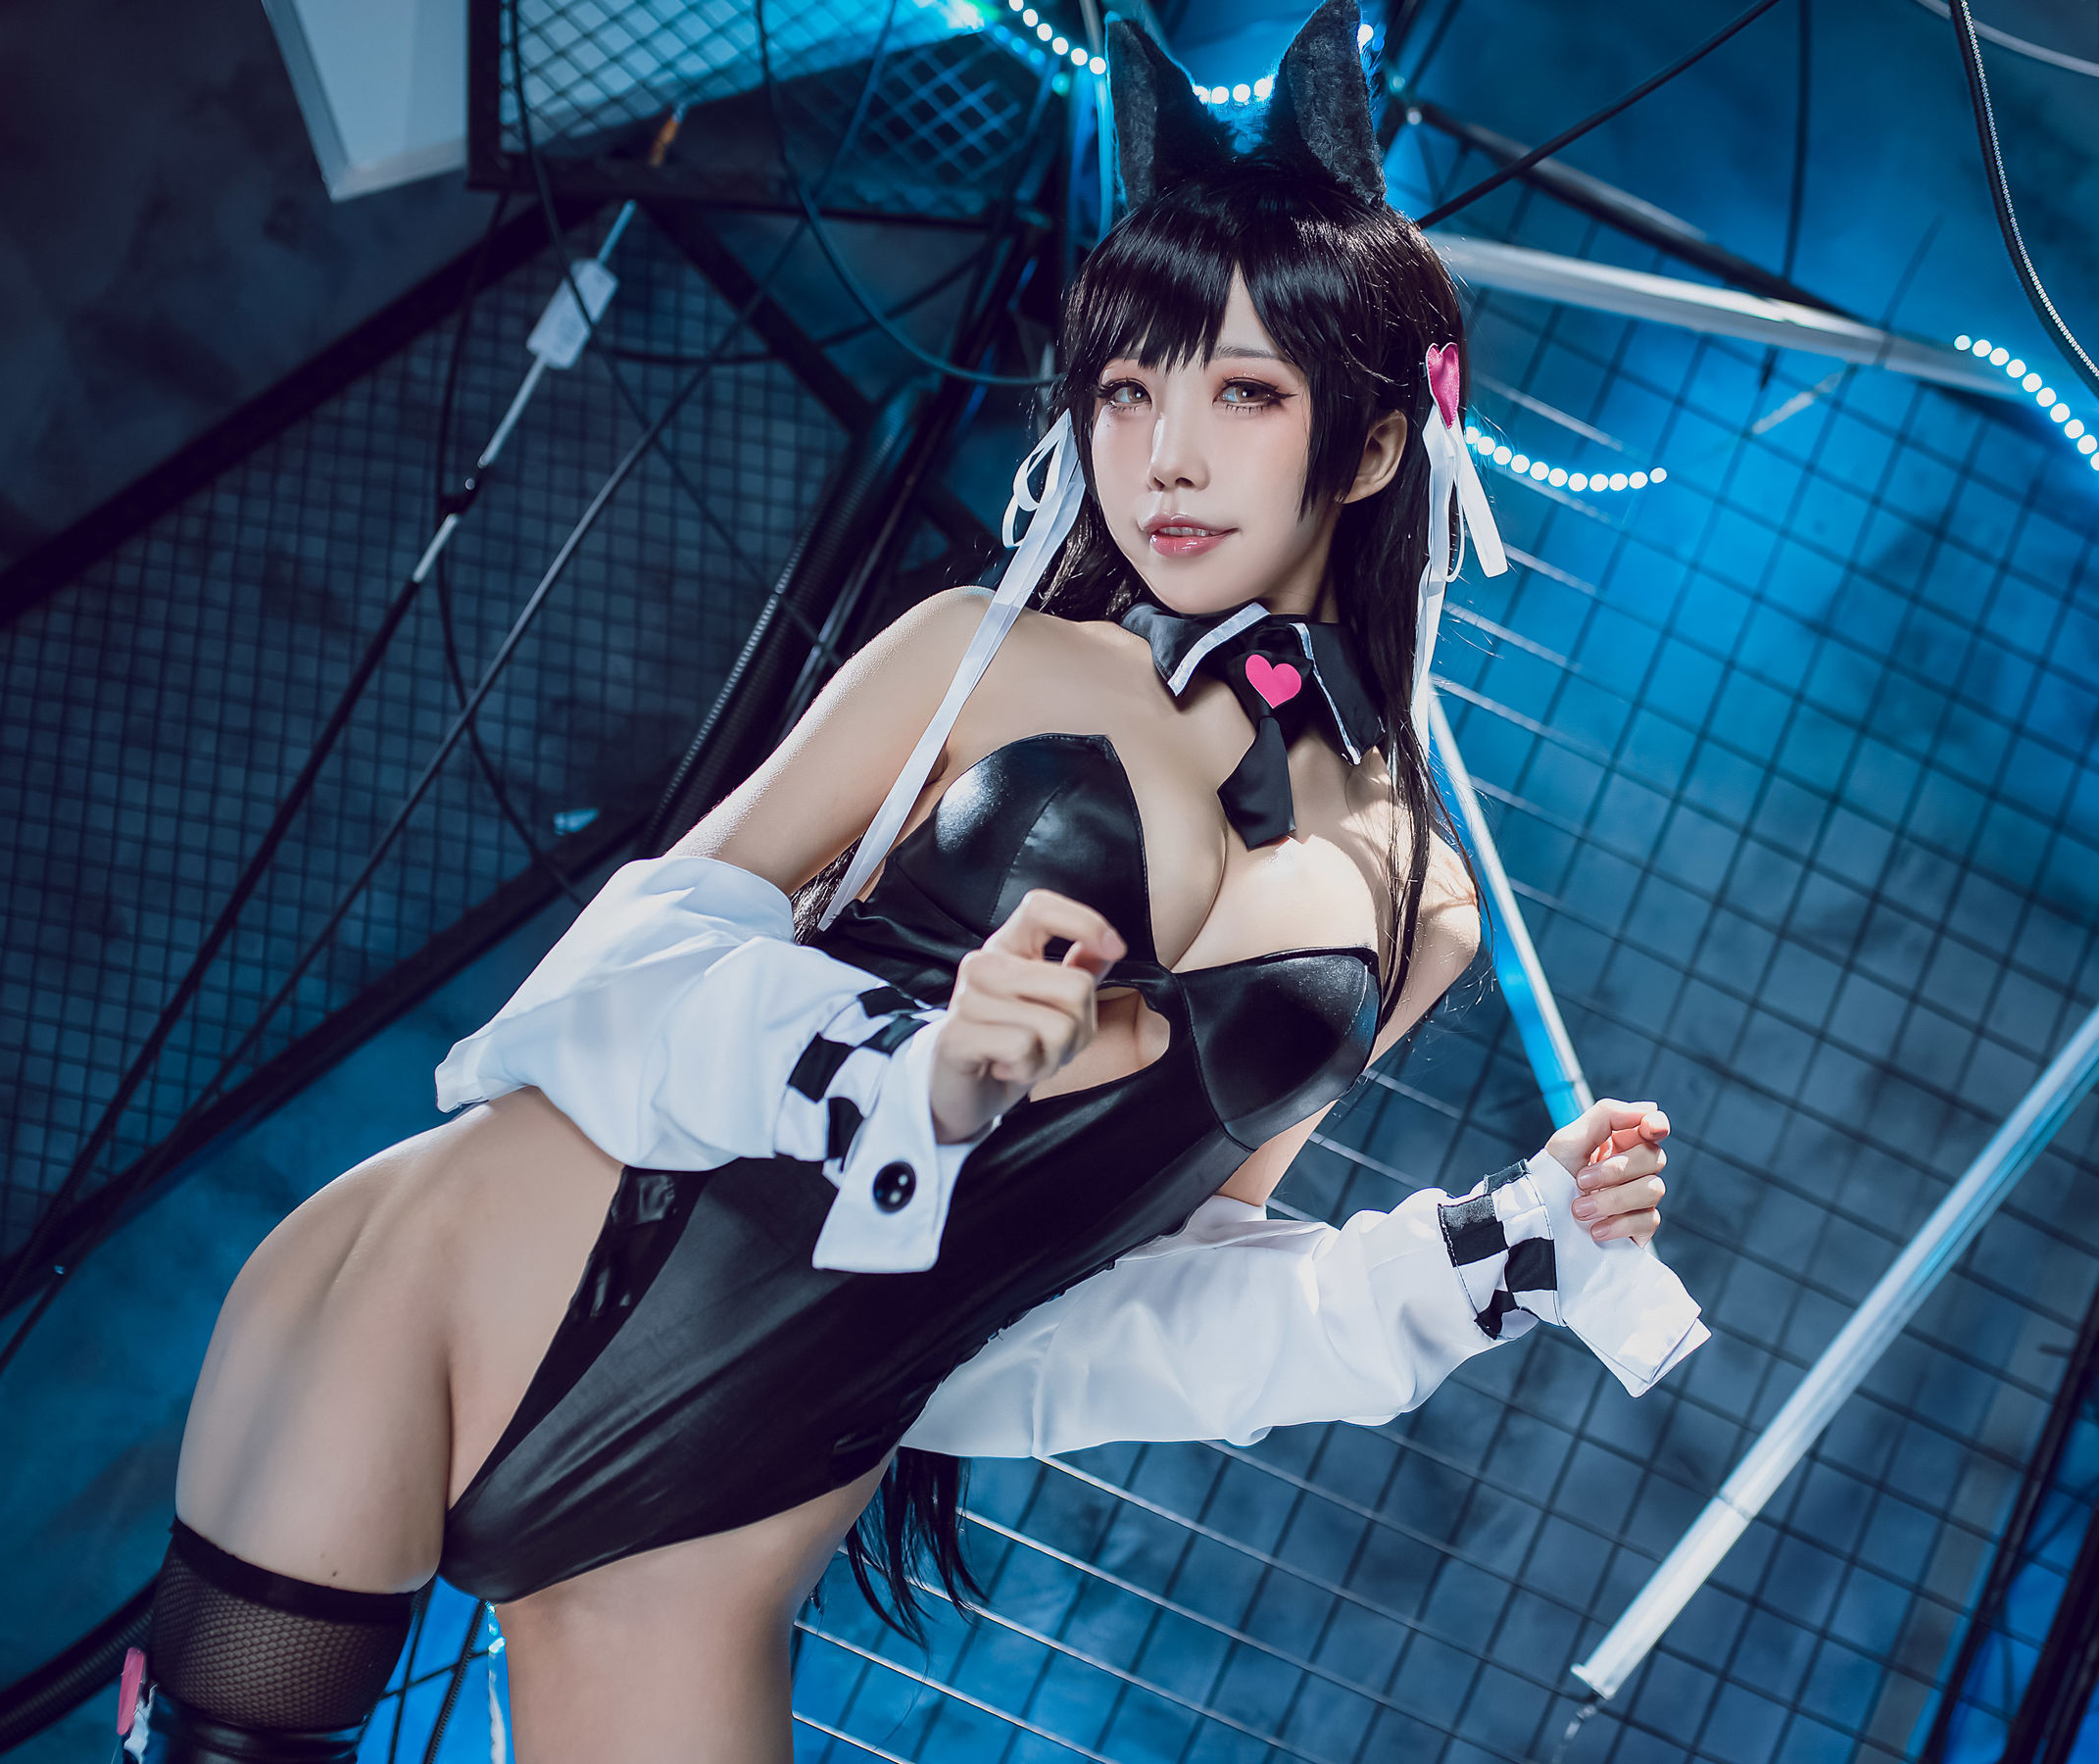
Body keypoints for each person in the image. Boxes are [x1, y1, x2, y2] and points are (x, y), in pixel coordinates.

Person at [134, 9, 1702, 1761]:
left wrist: (1497, 1253)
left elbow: (1127, 1296)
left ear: (1375, 443)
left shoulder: (1420, 913)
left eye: (1243, 392)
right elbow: (622, 970)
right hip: (455, 1273)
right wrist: (910, 1074)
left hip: (725, 1514)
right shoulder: (982, 653)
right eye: (1129, 389)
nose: (1166, 455)